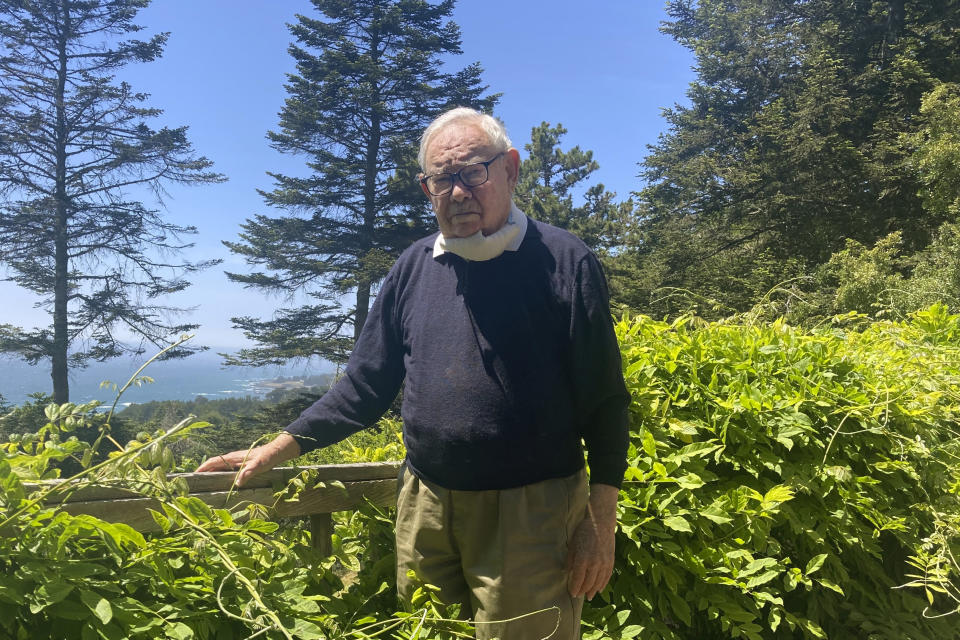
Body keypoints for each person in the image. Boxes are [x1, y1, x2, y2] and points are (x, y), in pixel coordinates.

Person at [197, 107, 630, 639]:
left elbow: (605, 401)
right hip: (426, 504)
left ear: (511, 169)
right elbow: (365, 384)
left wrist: (599, 523)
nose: (457, 192)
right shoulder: (414, 267)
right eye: (442, 179)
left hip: (532, 513)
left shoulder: (565, 261)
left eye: (472, 172)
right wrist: (277, 448)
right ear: (426, 188)